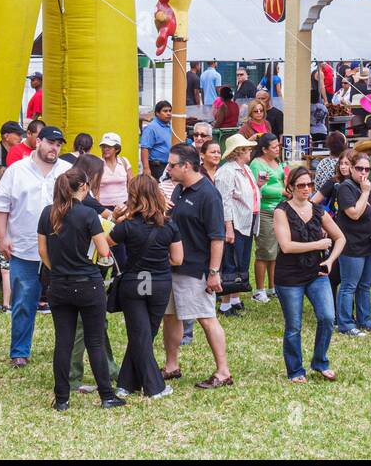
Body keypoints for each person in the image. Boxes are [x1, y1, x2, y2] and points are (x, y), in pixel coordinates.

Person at [37, 169, 124, 409]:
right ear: (83, 187)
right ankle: (107, 395)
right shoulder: (88, 214)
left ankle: (62, 399)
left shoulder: (48, 213)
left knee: (62, 342)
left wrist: (57, 268)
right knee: (94, 341)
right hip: (87, 282)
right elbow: (104, 251)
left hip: (58, 283)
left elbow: (42, 250)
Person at [0, 125, 73, 367]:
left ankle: (65, 351)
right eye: (50, 143)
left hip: (60, 249)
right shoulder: (17, 170)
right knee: (23, 301)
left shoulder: (67, 171)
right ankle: (20, 351)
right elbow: (0, 205)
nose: (54, 148)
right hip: (24, 247)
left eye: (59, 145)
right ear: (38, 141)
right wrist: (2, 237)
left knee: (65, 303)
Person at [160, 143, 234, 389]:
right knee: (170, 316)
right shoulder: (179, 189)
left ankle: (223, 371)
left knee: (206, 317)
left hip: (196, 268)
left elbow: (217, 237)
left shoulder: (208, 194)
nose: (168, 169)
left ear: (186, 166)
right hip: (173, 265)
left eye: (172, 165)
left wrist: (214, 272)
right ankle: (171, 366)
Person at [108, 175, 183, 399]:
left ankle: (127, 383)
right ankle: (152, 386)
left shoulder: (127, 226)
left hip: (134, 281)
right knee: (145, 333)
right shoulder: (169, 225)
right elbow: (178, 259)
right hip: (159, 282)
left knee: (140, 334)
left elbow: (105, 244)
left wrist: (117, 219)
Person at [273, 166, 346, 382]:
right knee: (294, 325)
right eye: (301, 185)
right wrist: (319, 244)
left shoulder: (318, 210)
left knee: (327, 317)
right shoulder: (281, 211)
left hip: (317, 273)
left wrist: (330, 260)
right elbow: (286, 246)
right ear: (291, 187)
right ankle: (295, 370)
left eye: (309, 185)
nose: (306, 189)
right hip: (289, 277)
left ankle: (320, 361)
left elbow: (340, 238)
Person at [334, 152, 371, 337]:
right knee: (349, 285)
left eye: (367, 169)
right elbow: (354, 213)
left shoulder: (369, 186)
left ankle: (365, 321)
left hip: (370, 243)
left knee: (364, 285)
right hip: (352, 244)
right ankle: (346, 324)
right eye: (359, 168)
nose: (363, 172)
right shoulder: (345, 188)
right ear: (351, 168)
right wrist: (364, 191)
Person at [216, 134, 258, 316]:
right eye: (247, 149)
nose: (250, 151)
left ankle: (235, 298)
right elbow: (224, 201)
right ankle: (225, 304)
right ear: (239, 151)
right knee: (231, 262)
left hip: (247, 220)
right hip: (236, 222)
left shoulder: (245, 169)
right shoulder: (227, 171)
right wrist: (229, 226)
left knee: (242, 261)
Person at [249, 133, 286, 303]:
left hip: (279, 210)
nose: (278, 148)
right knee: (264, 251)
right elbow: (260, 189)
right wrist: (282, 192)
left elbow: (280, 181)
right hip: (264, 210)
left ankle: (272, 287)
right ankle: (259, 290)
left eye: (278, 145)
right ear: (264, 149)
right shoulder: (258, 164)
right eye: (274, 147)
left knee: (276, 251)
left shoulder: (277, 163)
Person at [96, 133, 132, 212]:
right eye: (103, 146)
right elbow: (94, 188)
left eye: (109, 147)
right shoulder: (97, 163)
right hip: (103, 207)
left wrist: (130, 203)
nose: (105, 149)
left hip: (124, 205)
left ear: (117, 149)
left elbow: (131, 184)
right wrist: (98, 207)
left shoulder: (124, 162)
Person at [139, 101, 174, 178]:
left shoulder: (171, 126)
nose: (168, 113)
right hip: (157, 167)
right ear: (157, 113)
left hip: (170, 166)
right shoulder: (151, 128)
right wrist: (146, 168)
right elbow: (145, 149)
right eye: (165, 111)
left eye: (170, 111)